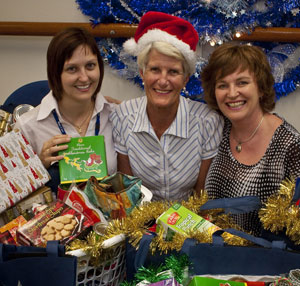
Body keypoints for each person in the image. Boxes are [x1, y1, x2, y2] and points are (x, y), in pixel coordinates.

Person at [110, 11, 223, 201]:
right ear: (142, 73)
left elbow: (202, 197)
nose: (163, 81)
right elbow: (128, 194)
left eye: (173, 72)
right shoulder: (122, 117)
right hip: (140, 221)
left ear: (185, 79)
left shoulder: (207, 122)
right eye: (155, 69)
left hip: (190, 220)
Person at [202, 43, 300, 235]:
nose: (232, 93)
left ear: (261, 88)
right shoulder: (216, 129)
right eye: (223, 85)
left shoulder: (290, 145)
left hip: (267, 260)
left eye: (242, 83)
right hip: (214, 253)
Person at [15, 27, 117, 193]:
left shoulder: (115, 115)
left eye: (90, 66)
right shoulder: (27, 127)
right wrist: (39, 165)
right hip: (54, 218)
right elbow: (9, 196)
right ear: (55, 73)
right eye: (72, 69)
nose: (84, 77)